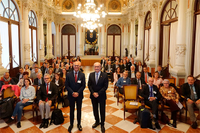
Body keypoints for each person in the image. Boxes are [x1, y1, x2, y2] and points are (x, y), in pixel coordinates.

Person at [88, 62, 108, 133]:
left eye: (98, 67)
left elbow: (105, 86)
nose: (96, 68)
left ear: (100, 67)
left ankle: (102, 124)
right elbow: (89, 85)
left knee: (102, 110)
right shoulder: (91, 74)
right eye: (95, 67)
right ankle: (97, 121)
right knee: (95, 109)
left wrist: (98, 93)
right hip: (93, 96)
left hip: (101, 95)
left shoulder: (104, 75)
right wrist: (93, 93)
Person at [65, 61, 86, 132]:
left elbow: (83, 85)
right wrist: (73, 92)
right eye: (75, 65)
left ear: (79, 66)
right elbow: (67, 86)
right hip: (71, 95)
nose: (76, 67)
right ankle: (71, 124)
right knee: (71, 110)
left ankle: (79, 124)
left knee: (79, 110)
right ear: (73, 66)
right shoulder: (68, 74)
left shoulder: (82, 75)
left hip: (79, 95)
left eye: (77, 65)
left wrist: (77, 93)